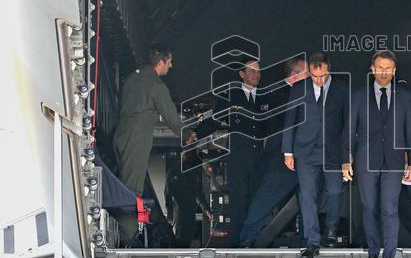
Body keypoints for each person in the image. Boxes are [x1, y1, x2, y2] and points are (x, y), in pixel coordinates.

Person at [342, 50, 411, 258]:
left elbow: (410, 130)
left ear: (394, 71)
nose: (384, 72)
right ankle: (372, 253)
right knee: (368, 207)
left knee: (389, 208)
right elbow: (348, 130)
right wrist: (345, 160)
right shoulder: (358, 96)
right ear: (372, 69)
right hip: (366, 159)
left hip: (394, 161)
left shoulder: (403, 96)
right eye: (380, 67)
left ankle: (389, 257)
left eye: (388, 68)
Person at [112, 44, 184, 244]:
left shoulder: (132, 79)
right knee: (132, 189)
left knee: (122, 183)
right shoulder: (156, 86)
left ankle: (123, 232)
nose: (171, 66)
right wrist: (188, 134)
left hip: (121, 134)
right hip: (137, 137)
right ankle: (128, 238)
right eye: (169, 62)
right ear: (160, 62)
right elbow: (171, 116)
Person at [193, 58, 268, 246]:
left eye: (258, 71)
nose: (256, 75)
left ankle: (255, 242)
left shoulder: (267, 96)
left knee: (258, 203)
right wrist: (196, 133)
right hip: (238, 159)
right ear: (242, 74)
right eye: (251, 71)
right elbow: (215, 120)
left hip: (259, 158)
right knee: (238, 203)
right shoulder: (231, 96)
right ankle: (238, 244)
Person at [238, 56, 309, 247]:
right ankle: (247, 238)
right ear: (294, 75)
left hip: (305, 159)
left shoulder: (297, 93)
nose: (311, 76)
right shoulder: (277, 94)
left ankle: (307, 241)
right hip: (281, 158)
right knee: (266, 200)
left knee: (308, 202)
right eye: (307, 72)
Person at [282, 53, 348, 258]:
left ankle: (331, 228)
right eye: (314, 76)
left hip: (333, 150)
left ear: (329, 68)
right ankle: (312, 241)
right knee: (307, 195)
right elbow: (289, 120)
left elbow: (348, 123)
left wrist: (348, 154)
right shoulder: (299, 88)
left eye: (322, 75)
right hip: (305, 150)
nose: (318, 80)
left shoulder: (342, 88)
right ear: (310, 71)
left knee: (335, 190)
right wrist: (288, 151)